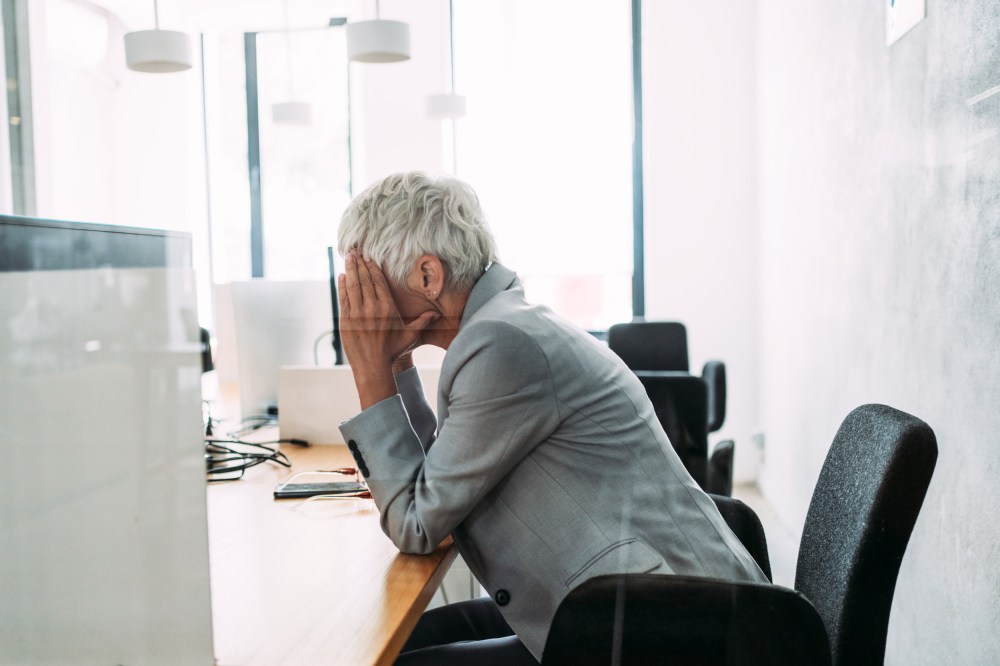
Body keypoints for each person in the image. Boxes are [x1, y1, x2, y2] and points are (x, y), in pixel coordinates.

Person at [336, 171, 767, 665]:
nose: (356, 306)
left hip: (666, 631)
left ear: (428, 276)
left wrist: (370, 373)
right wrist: (394, 364)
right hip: (625, 600)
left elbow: (418, 523)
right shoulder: (501, 326)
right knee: (396, 643)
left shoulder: (501, 345)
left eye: (366, 285)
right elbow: (435, 481)